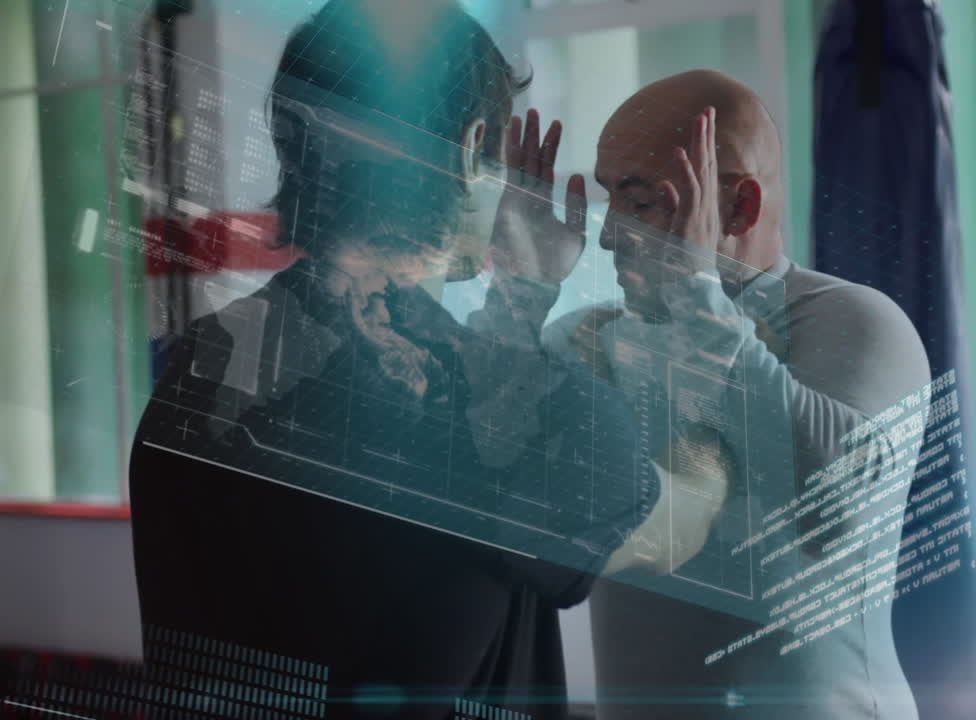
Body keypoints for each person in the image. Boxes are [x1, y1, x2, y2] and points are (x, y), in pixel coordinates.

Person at [128, 3, 725, 718]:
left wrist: (520, 301)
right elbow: (675, 524)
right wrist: (707, 363)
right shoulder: (469, 398)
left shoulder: (196, 366)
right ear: (472, 148)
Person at [543, 70, 931, 719]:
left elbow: (829, 510)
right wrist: (522, 294)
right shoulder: (599, 337)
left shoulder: (851, 320)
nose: (608, 235)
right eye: (610, 198)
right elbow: (492, 477)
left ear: (741, 208)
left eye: (640, 203)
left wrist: (700, 303)